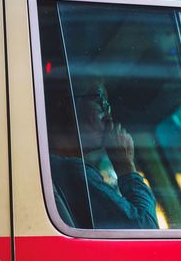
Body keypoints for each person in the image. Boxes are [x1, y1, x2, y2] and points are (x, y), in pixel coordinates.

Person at [49, 77, 159, 229]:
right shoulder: (72, 172)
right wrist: (126, 166)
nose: (109, 115)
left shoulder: (54, 168)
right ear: (69, 105)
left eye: (108, 106)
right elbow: (146, 228)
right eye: (100, 102)